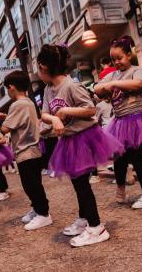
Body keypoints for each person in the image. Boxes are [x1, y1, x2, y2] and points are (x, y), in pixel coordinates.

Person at [36, 44, 122, 246]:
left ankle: (96, 227)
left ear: (43, 67)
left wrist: (66, 113)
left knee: (82, 185)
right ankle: (85, 219)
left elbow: (90, 109)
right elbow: (44, 113)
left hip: (84, 138)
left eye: (38, 68)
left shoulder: (71, 85)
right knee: (78, 183)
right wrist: (54, 120)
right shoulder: (49, 89)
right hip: (68, 140)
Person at [95, 36, 142, 210]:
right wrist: (107, 85)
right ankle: (121, 187)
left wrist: (114, 84)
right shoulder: (112, 74)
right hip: (119, 123)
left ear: (128, 55)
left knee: (137, 157)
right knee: (119, 158)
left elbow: (138, 84)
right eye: (113, 59)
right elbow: (96, 89)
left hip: (136, 121)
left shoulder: (136, 70)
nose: (116, 62)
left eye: (119, 58)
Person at [0, 71, 52, 231]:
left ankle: (43, 214)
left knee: (31, 185)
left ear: (11, 87)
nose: (7, 92)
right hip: (33, 150)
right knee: (35, 184)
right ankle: (37, 209)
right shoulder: (28, 102)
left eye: (7, 89)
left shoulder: (16, 104)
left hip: (25, 151)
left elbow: (5, 129)